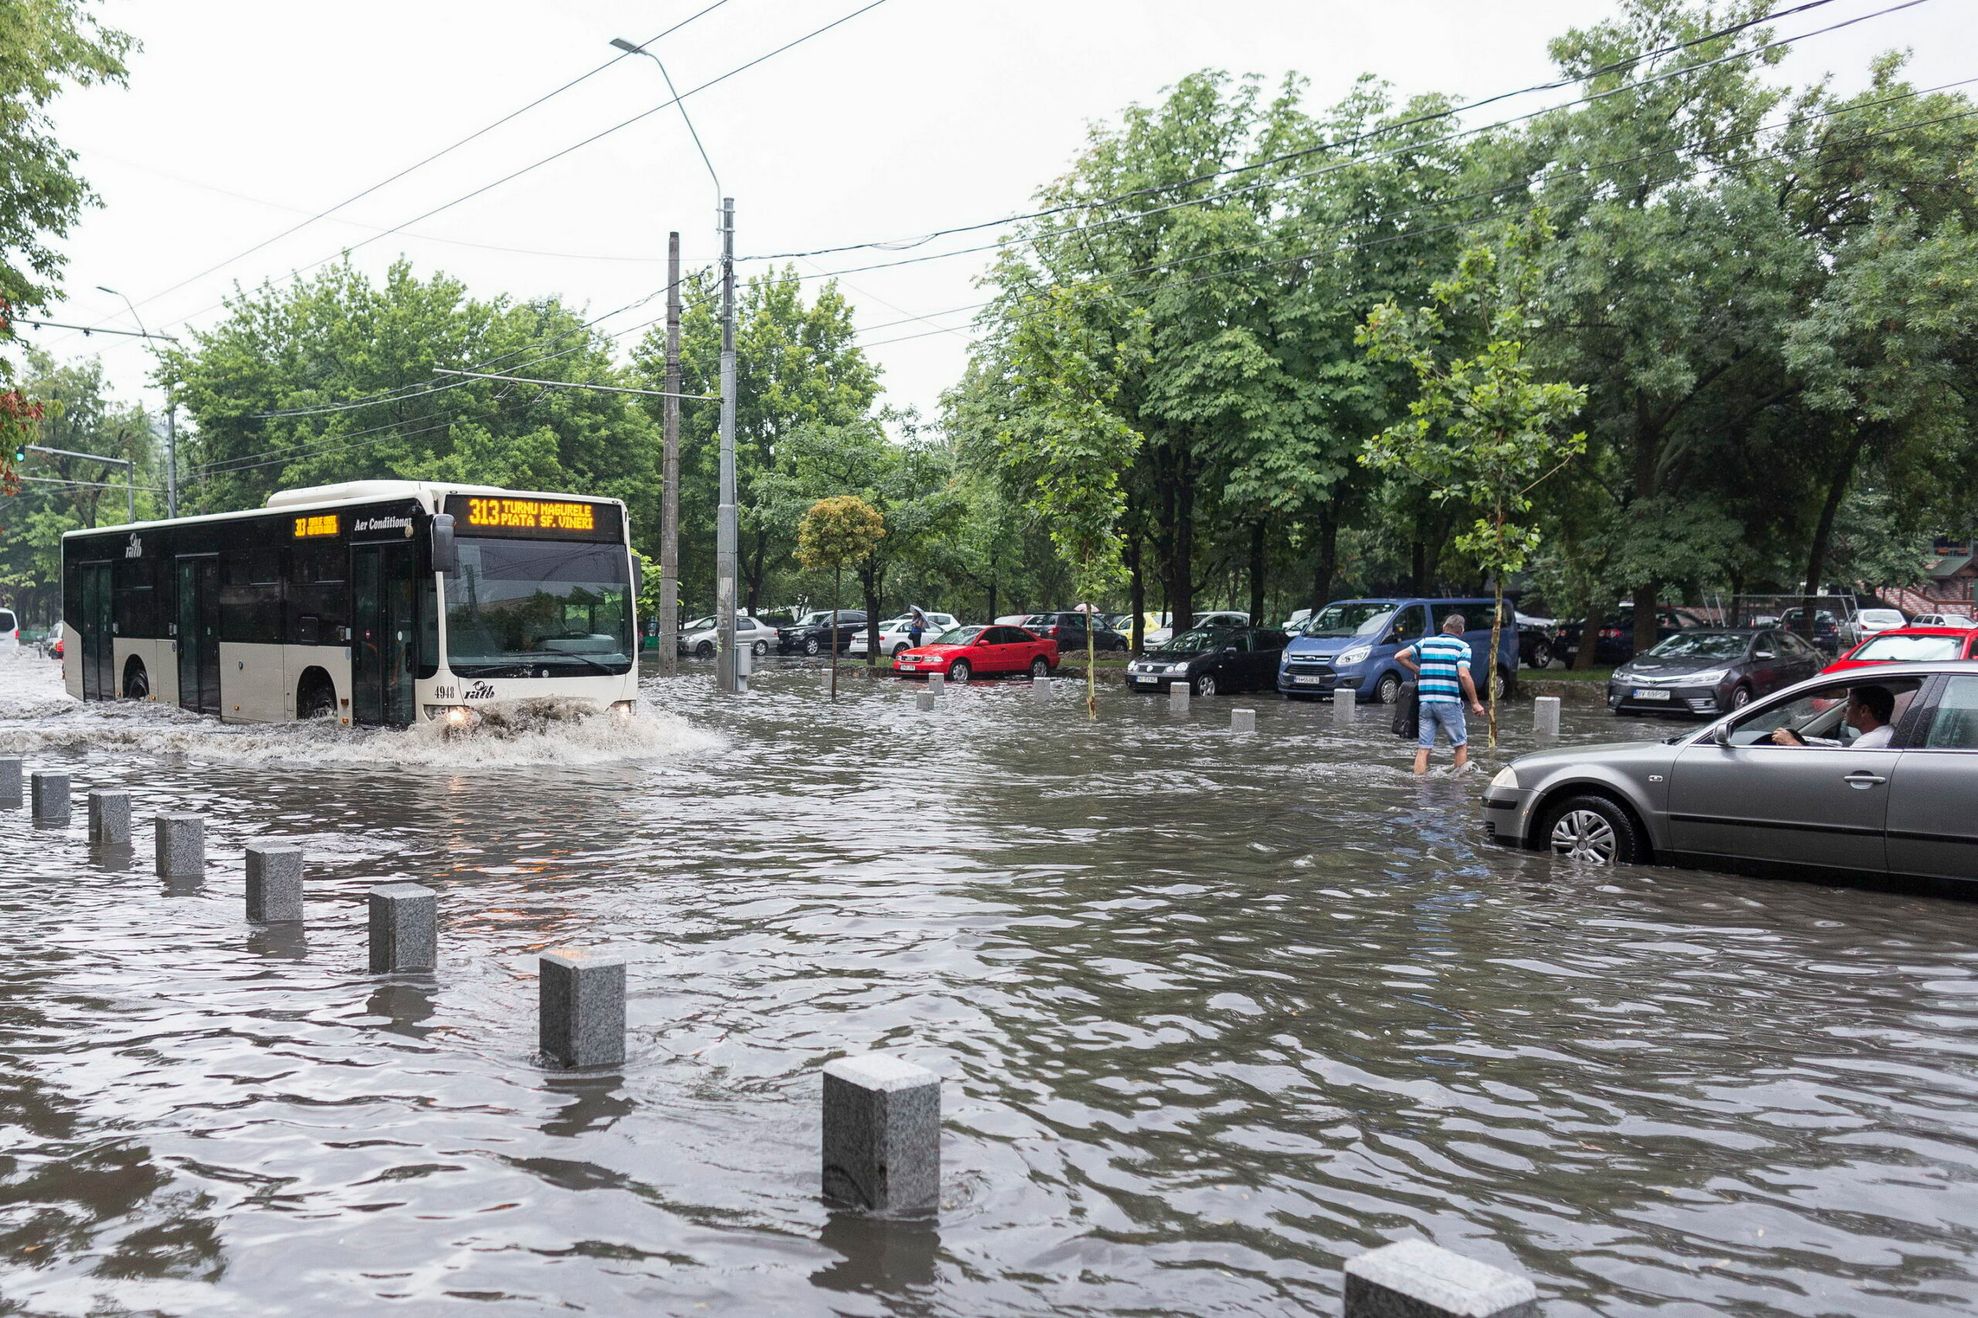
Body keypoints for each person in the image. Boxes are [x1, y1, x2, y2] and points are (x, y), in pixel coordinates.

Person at [1395, 613, 1487, 775]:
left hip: (1425, 703)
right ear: (1461, 630)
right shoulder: (1462, 647)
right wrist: (1475, 703)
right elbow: (1464, 675)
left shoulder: (1426, 642)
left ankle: (1419, 786)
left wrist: (1419, 670)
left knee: (1424, 748)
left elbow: (1400, 656)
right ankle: (1458, 789)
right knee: (1460, 745)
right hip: (1449, 703)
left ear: (1444, 627)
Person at [1770, 683, 1895, 749]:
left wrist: (1792, 743)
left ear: (1864, 710)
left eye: (1849, 704)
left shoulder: (1871, 742)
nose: (1844, 710)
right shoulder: (1884, 734)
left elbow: (1837, 770)